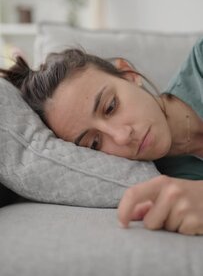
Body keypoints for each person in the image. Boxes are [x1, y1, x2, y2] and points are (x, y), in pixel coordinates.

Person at [1, 38, 203, 236]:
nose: (122, 137)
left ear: (129, 75)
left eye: (111, 107)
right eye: (95, 143)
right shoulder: (170, 183)